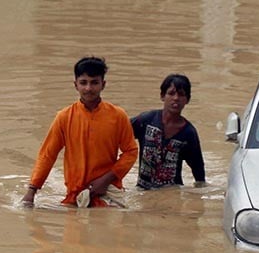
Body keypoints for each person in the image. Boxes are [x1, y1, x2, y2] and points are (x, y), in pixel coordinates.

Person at [22, 56, 138, 207]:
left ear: (103, 84)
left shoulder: (118, 116)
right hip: (75, 196)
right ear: (75, 85)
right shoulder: (64, 117)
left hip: (108, 194)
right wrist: (31, 191)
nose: (88, 88)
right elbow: (48, 154)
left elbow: (131, 152)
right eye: (83, 83)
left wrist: (107, 179)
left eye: (94, 82)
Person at [131, 74, 206, 189]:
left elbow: (197, 168)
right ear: (162, 96)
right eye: (171, 93)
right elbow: (118, 134)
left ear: (187, 100)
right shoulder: (146, 121)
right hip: (143, 190)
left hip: (172, 193)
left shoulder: (189, 133)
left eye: (181, 94)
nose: (176, 98)